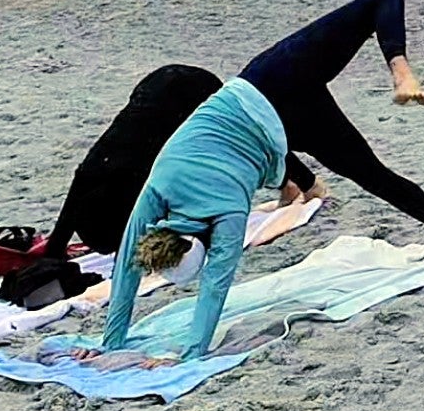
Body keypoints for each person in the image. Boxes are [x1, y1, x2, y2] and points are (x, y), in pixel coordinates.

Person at [237, 0, 424, 264]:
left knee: (369, 174)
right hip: (272, 104)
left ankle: (401, 73)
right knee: (370, 174)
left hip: (269, 86)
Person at [100, 77, 295, 363]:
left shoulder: (229, 213)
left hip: (273, 123)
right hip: (233, 94)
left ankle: (297, 188)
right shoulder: (160, 187)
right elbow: (128, 261)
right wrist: (111, 344)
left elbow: (215, 285)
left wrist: (191, 356)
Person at [42, 65, 224, 257]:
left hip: (197, 92)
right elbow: (78, 188)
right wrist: (55, 248)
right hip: (158, 82)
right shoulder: (97, 169)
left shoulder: (142, 177)